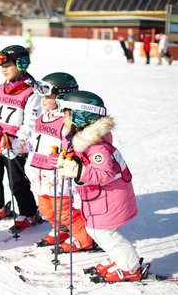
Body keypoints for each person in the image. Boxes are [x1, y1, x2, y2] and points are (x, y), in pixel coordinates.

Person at [56, 91, 142, 282]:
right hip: (97, 198)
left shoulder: (97, 147)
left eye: (67, 114)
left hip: (110, 198)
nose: (64, 118)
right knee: (95, 230)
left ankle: (130, 268)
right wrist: (67, 162)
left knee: (103, 233)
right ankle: (120, 260)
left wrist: (78, 172)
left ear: (81, 116)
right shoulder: (78, 141)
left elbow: (105, 174)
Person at [26, 73, 94, 253]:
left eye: (48, 96)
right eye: (42, 95)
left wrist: (64, 158)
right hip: (40, 174)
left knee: (63, 211)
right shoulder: (42, 118)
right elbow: (34, 142)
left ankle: (84, 238)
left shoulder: (67, 123)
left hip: (57, 175)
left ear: (63, 97)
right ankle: (62, 230)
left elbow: (75, 148)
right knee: (45, 209)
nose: (43, 100)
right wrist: (18, 145)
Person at [0, 45, 39, 233]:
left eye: (8, 65)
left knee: (16, 179)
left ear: (21, 64)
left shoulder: (31, 92)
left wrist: (19, 141)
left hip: (15, 143)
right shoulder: (1, 89)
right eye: (1, 66)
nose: (4, 70)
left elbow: (32, 122)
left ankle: (29, 213)